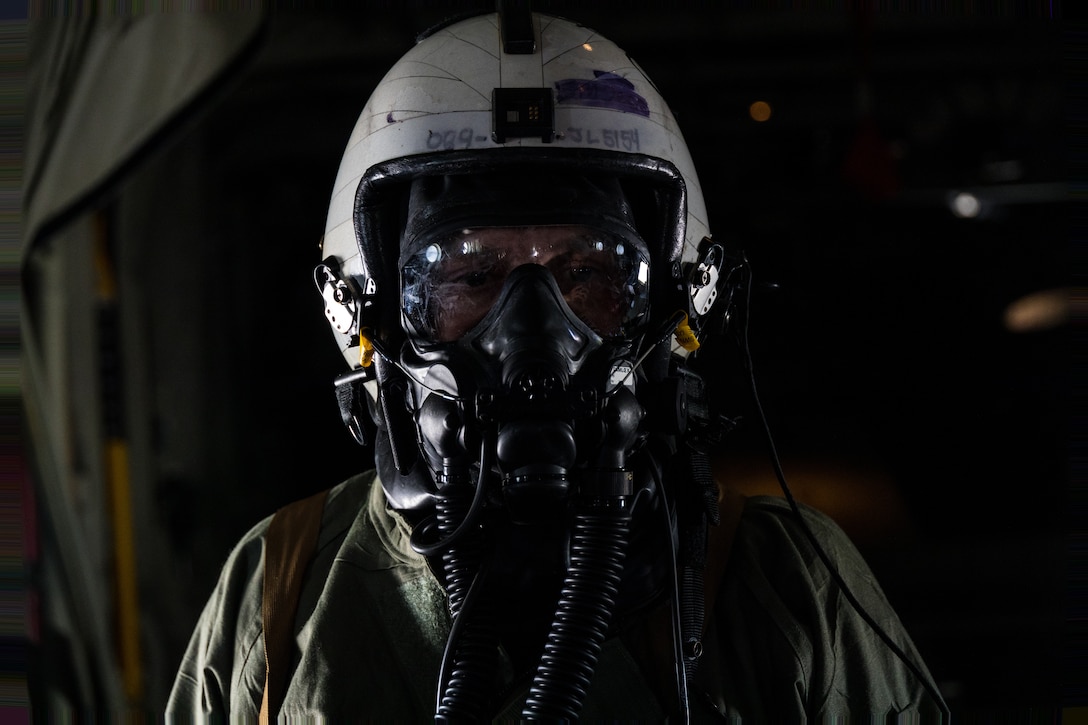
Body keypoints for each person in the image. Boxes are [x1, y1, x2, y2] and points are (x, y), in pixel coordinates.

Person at [167, 7, 948, 721]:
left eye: (591, 274)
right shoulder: (279, 589)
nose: (536, 334)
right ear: (367, 311)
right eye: (471, 276)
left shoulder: (787, 586)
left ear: (677, 300)